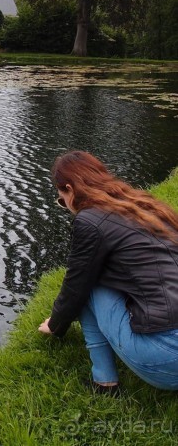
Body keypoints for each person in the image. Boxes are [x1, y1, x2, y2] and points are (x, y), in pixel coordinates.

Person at [39, 150, 178, 394]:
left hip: (168, 356)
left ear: (70, 189)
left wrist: (56, 325)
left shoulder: (89, 220)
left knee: (89, 285)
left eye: (62, 199)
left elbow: (75, 286)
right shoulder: (145, 206)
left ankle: (104, 383)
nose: (66, 205)